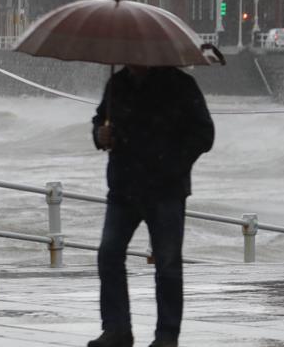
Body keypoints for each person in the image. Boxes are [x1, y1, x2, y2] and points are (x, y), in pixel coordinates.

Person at [88, 65, 215, 347]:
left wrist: (172, 164)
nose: (130, 60)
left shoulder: (180, 84)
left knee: (167, 264)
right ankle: (116, 329)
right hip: (123, 188)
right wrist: (100, 134)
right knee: (109, 255)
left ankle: (167, 335)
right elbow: (100, 118)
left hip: (165, 191)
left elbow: (204, 134)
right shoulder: (118, 83)